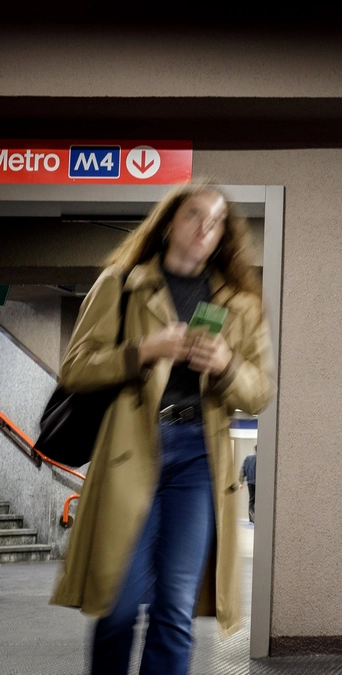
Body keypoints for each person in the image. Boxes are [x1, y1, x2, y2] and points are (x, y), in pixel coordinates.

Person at [50, 182, 275, 674]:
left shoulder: (238, 304)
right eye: (195, 215)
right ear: (170, 221)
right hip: (132, 448)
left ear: (223, 238)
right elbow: (76, 369)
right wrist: (144, 351)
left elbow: (259, 391)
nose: (205, 228)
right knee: (118, 602)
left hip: (199, 455)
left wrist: (227, 363)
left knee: (175, 607)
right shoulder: (122, 282)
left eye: (216, 223)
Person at [240, 446, 257, 524]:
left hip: (250, 482)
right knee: (260, 500)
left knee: (251, 500)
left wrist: (241, 482)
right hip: (259, 483)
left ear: (254, 449)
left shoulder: (248, 458)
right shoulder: (262, 458)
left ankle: (251, 518)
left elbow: (242, 470)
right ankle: (259, 517)